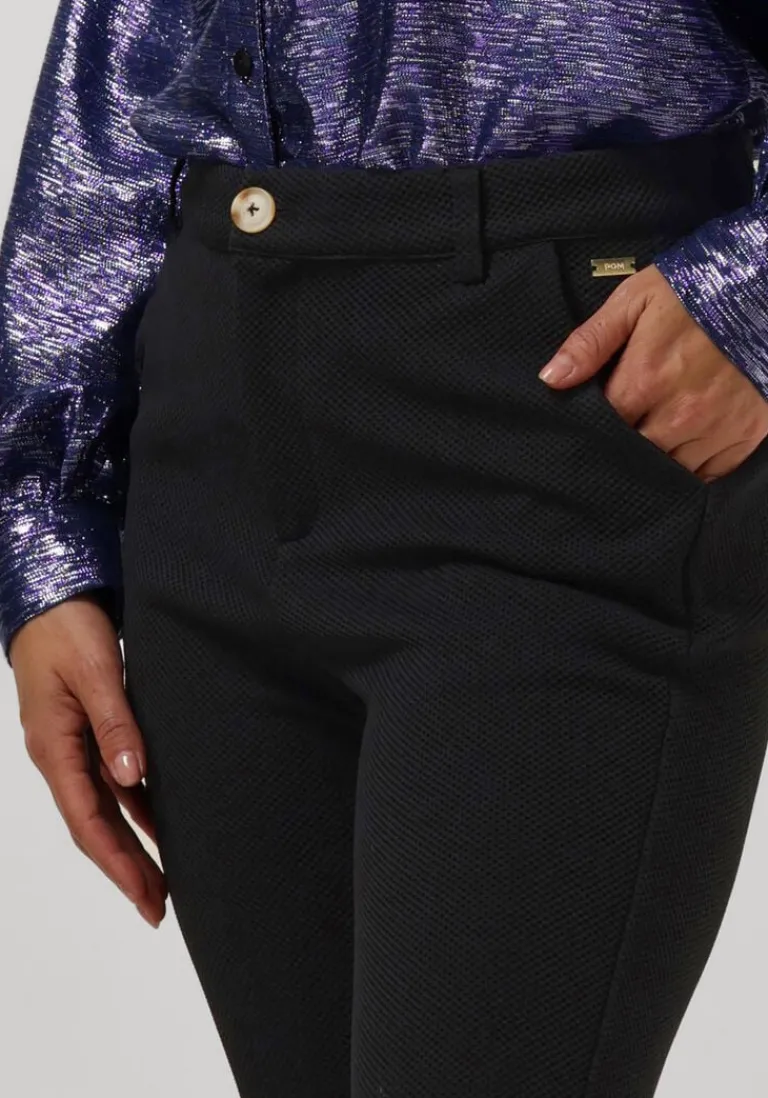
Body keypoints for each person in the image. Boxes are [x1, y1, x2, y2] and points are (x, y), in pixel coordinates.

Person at [2, 1, 768, 1095]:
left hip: (554, 407)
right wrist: (42, 522)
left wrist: (750, 300)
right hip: (210, 438)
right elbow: (114, 59)